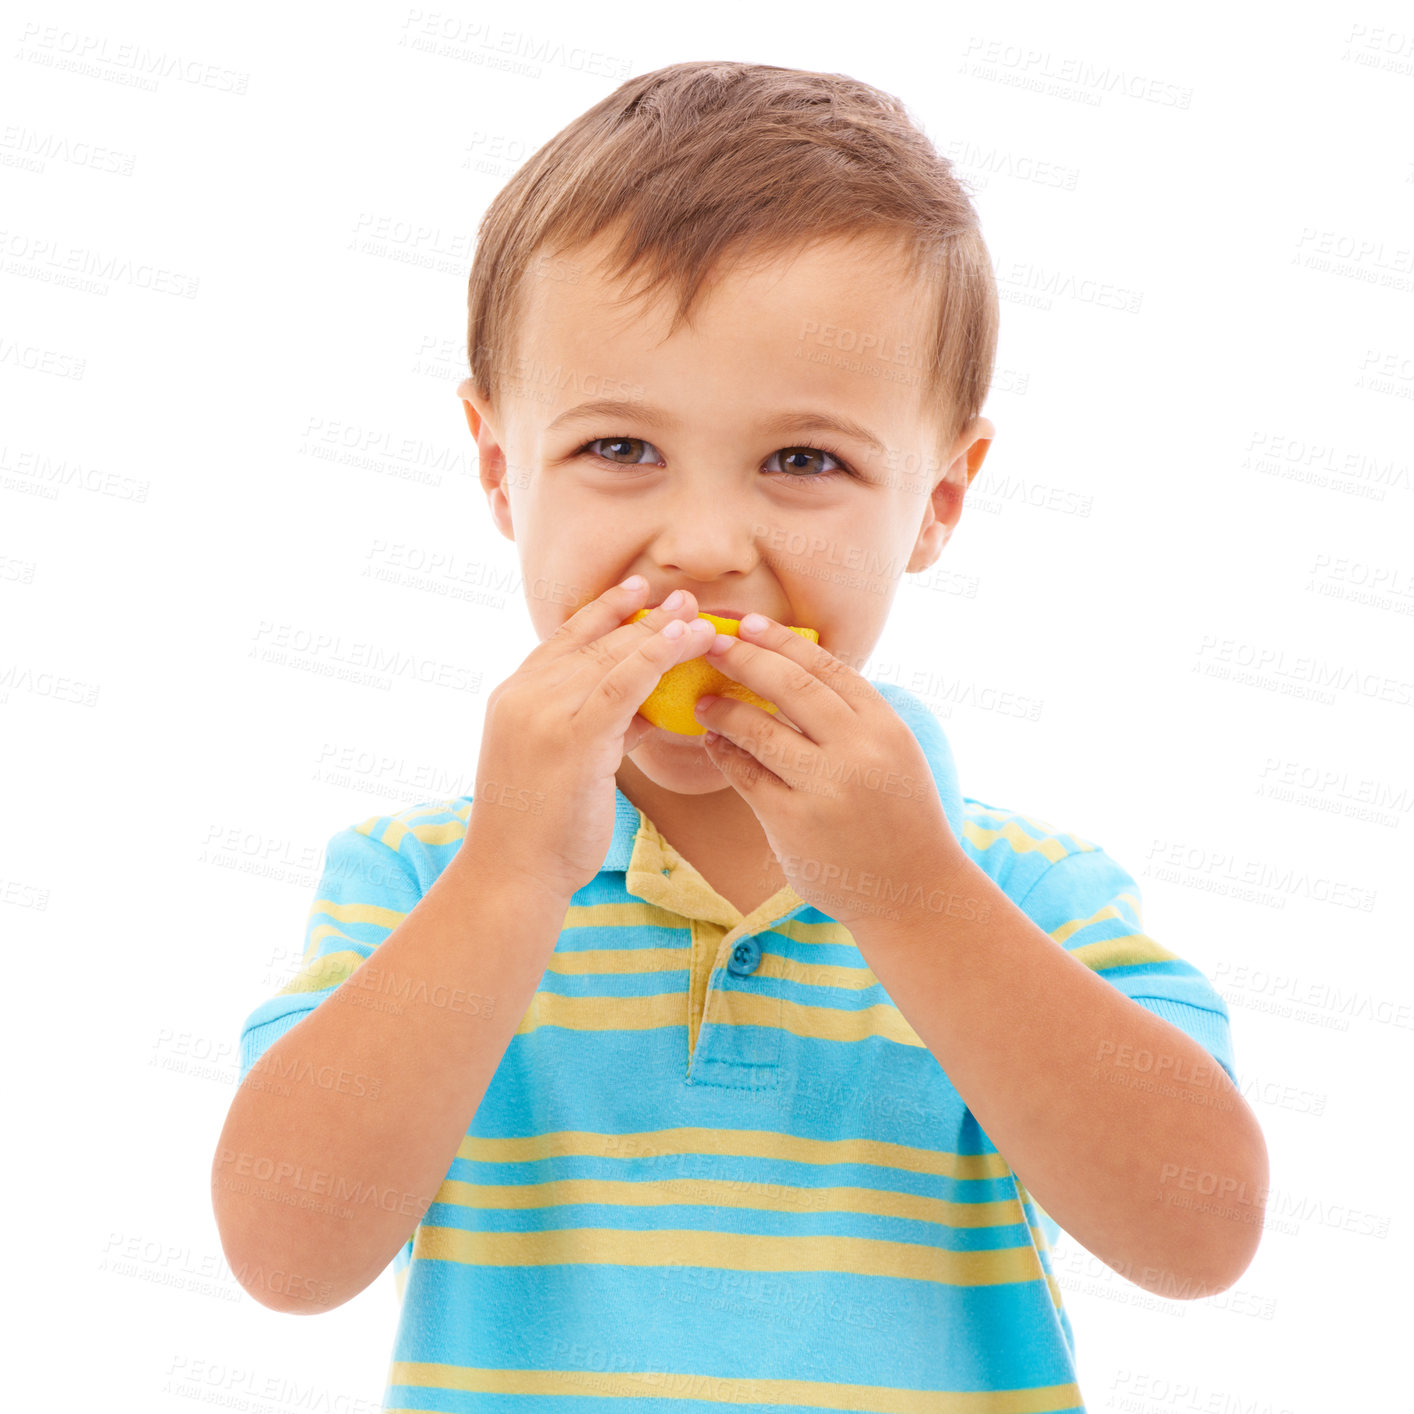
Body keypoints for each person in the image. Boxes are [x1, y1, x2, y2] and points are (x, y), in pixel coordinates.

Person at [212, 60, 1267, 1414]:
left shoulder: (1023, 891)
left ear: (938, 498)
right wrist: (508, 878)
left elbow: (1199, 1233)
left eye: (804, 462)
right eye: (619, 449)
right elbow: (285, 1253)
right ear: (496, 469)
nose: (704, 548)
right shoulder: (421, 878)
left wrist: (913, 894)